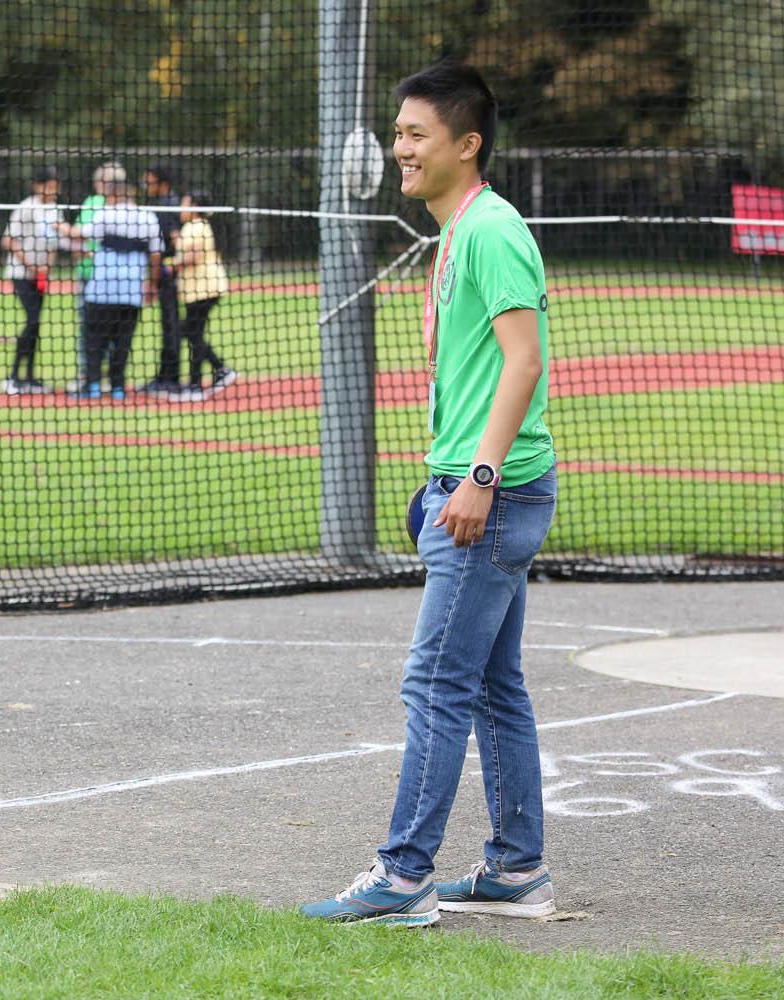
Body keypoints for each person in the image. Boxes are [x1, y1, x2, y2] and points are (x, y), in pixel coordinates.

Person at [301, 62, 557, 927]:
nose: (398, 149)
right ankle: (518, 872)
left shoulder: (490, 231)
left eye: (415, 135)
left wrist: (478, 480)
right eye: (398, 134)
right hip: (469, 490)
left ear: (465, 144)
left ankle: (404, 876)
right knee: (491, 687)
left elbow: (524, 362)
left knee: (436, 685)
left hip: (490, 498)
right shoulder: (453, 234)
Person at [57, 182, 162, 399]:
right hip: (131, 291)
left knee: (94, 338)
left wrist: (59, 225)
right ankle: (117, 387)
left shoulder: (106, 214)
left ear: (113, 197)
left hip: (102, 289)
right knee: (123, 340)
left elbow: (79, 235)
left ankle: (93, 385)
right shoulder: (148, 217)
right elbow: (156, 255)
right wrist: (151, 283)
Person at [0, 166, 63, 394]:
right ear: (38, 186)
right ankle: (13, 376)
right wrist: (30, 265)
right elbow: (8, 240)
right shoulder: (26, 208)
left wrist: (46, 266)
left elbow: (54, 243)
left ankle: (30, 377)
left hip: (41, 276)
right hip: (21, 274)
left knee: (36, 325)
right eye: (49, 187)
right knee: (33, 320)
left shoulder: (55, 210)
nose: (53, 192)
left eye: (55, 188)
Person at [168, 190, 236, 401]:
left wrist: (172, 265)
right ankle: (216, 372)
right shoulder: (195, 227)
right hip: (199, 289)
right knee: (191, 332)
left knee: (191, 333)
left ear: (195, 206)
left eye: (185, 203)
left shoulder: (196, 226)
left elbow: (194, 255)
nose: (181, 207)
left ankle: (198, 384)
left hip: (204, 289)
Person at [70, 161, 125, 390]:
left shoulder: (93, 203)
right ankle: (112, 379)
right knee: (115, 329)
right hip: (118, 278)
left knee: (88, 328)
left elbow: (78, 236)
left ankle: (88, 377)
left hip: (92, 275)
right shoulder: (127, 206)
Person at [136, 162, 184, 396]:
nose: (146, 184)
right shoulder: (164, 205)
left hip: (168, 274)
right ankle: (164, 376)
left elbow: (176, 239)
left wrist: (170, 269)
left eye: (150, 180)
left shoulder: (168, 207)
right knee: (168, 325)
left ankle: (171, 379)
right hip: (166, 273)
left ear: (162, 183)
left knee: (171, 325)